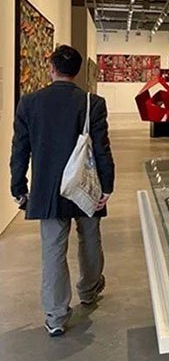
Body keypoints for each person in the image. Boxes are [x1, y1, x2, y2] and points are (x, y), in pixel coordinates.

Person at [10, 45, 115, 337]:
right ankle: (89, 290)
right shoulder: (92, 102)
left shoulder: (29, 103)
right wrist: (107, 186)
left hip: (48, 189)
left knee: (53, 251)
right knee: (90, 239)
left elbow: (20, 149)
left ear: (52, 68)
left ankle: (56, 316)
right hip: (85, 186)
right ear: (77, 72)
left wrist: (18, 186)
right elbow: (102, 148)